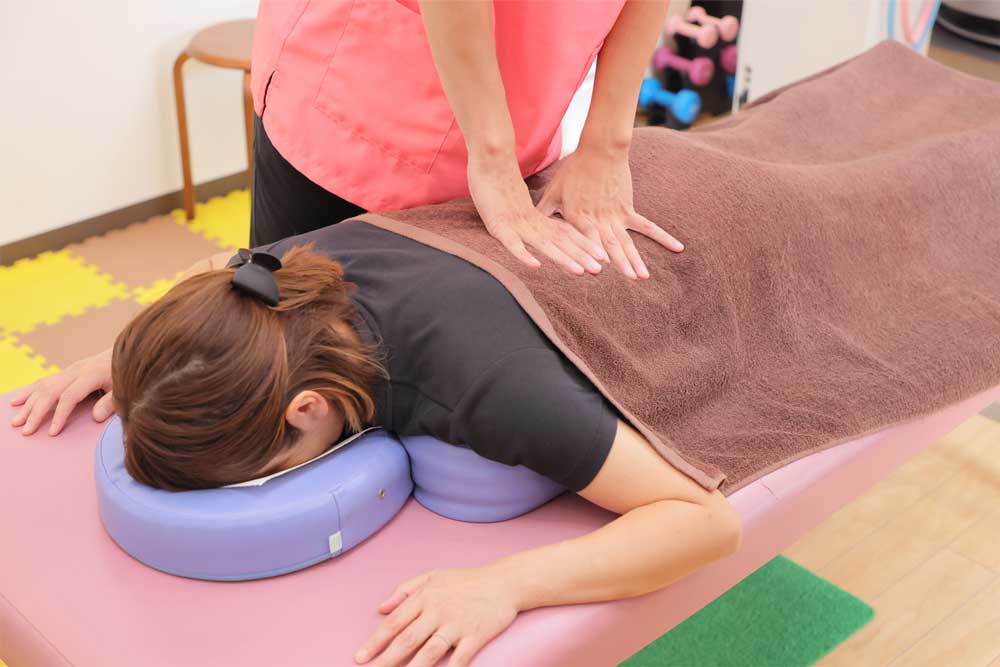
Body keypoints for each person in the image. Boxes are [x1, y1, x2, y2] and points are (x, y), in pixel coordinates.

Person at [10, 220, 740, 667]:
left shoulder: (483, 383)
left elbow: (705, 520)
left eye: (262, 470)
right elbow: (211, 277)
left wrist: (507, 584)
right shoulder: (267, 285)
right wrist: (145, 364)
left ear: (307, 409)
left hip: (703, 263)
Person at [250, 0, 684, 280]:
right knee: (284, 350)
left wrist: (606, 147)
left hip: (525, 98)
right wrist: (493, 158)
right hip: (360, 92)